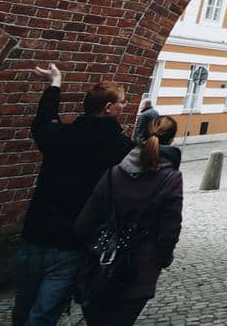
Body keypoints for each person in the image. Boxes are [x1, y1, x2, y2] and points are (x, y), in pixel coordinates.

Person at [13, 63, 134, 326]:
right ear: (109, 108)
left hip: (35, 233)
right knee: (45, 312)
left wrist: (54, 84)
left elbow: (43, 120)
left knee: (22, 306)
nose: (124, 107)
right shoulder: (121, 148)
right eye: (122, 103)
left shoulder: (60, 135)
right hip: (72, 240)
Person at [74, 115, 184, 326]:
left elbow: (84, 223)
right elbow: (170, 229)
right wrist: (162, 258)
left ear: (142, 135)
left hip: (102, 262)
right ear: (171, 140)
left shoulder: (113, 173)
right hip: (140, 268)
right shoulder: (171, 178)